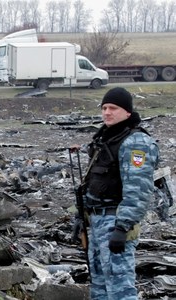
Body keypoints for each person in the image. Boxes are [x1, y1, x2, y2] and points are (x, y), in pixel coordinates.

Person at [79, 87, 159, 299]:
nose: (107, 112)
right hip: (96, 220)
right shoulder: (105, 139)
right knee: (99, 286)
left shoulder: (136, 143)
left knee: (120, 287)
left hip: (115, 220)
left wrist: (122, 227)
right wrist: (80, 217)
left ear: (127, 112)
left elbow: (138, 190)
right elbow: (93, 181)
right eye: (104, 108)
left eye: (113, 108)